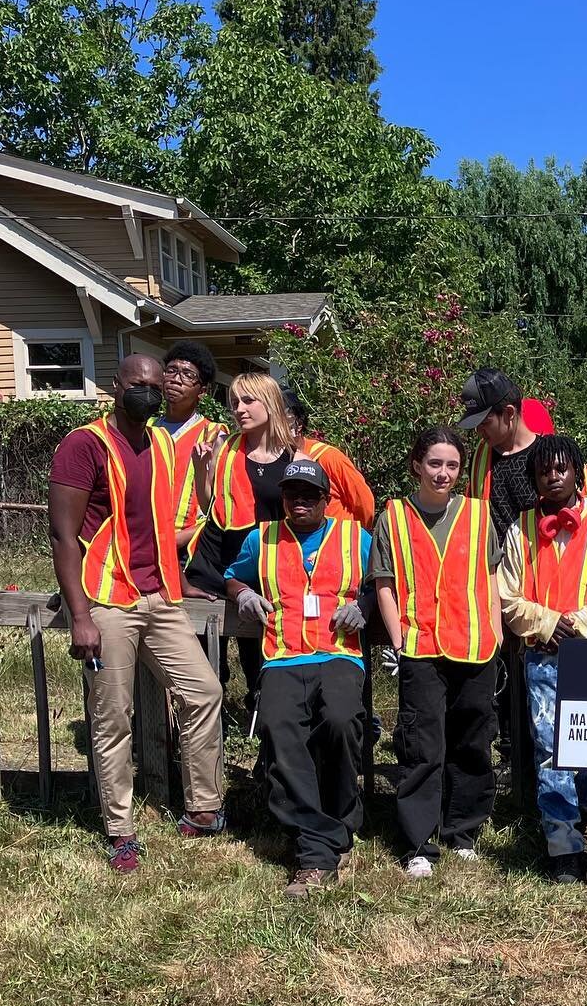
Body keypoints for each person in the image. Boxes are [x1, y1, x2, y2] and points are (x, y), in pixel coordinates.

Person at [48, 353, 226, 873]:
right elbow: (63, 534)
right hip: (107, 600)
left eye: (155, 384)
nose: (150, 390)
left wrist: (184, 576)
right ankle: (120, 830)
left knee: (204, 692)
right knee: (113, 718)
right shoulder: (85, 444)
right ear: (115, 385)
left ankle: (202, 807)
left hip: (159, 594)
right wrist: (80, 615)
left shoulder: (163, 443)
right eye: (138, 383)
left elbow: (163, 524)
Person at [224, 459, 370, 898]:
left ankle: (342, 816)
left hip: (339, 653)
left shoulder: (354, 537)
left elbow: (388, 581)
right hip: (283, 657)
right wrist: (245, 593)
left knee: (343, 722)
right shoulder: (261, 538)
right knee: (278, 729)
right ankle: (318, 850)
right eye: (292, 494)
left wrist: (362, 603)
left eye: (310, 494)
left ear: (328, 499)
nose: (300, 501)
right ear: (282, 498)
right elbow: (232, 577)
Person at [498, 435, 587, 883]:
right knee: (550, 750)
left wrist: (577, 625)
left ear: (577, 470)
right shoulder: (520, 526)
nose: (553, 477)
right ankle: (563, 844)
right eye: (544, 471)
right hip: (543, 655)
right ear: (535, 478)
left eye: (561, 469)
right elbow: (507, 595)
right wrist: (548, 623)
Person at [371, 426, 502, 877]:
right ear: (417, 465)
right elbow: (384, 583)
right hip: (420, 646)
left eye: (452, 466)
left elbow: (493, 578)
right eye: (434, 463)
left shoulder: (480, 516)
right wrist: (397, 639)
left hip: (476, 646)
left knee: (471, 743)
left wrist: (498, 632)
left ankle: (461, 831)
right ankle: (418, 844)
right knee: (422, 747)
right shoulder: (393, 516)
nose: (443, 473)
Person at [185, 372, 300, 697]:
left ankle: (261, 719)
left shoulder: (295, 457)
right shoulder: (224, 446)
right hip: (214, 563)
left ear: (271, 403)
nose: (239, 409)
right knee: (208, 660)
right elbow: (211, 506)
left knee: (260, 660)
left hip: (262, 566)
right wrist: (199, 469)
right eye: (235, 402)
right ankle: (207, 726)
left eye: (248, 400)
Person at [457, 369, 587, 538]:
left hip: (543, 562)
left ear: (509, 413)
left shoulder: (556, 457)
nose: (479, 431)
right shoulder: (480, 457)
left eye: (485, 422)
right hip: (494, 564)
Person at [155, 339, 225, 554]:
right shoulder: (147, 429)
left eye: (187, 375)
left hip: (189, 545)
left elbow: (219, 502)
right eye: (171, 371)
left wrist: (182, 538)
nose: (176, 380)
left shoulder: (213, 434)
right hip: (147, 541)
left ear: (202, 391)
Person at [282, 386, 376, 529]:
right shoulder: (271, 462)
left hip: (338, 544)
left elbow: (364, 504)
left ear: (298, 424)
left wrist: (354, 537)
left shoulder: (328, 457)